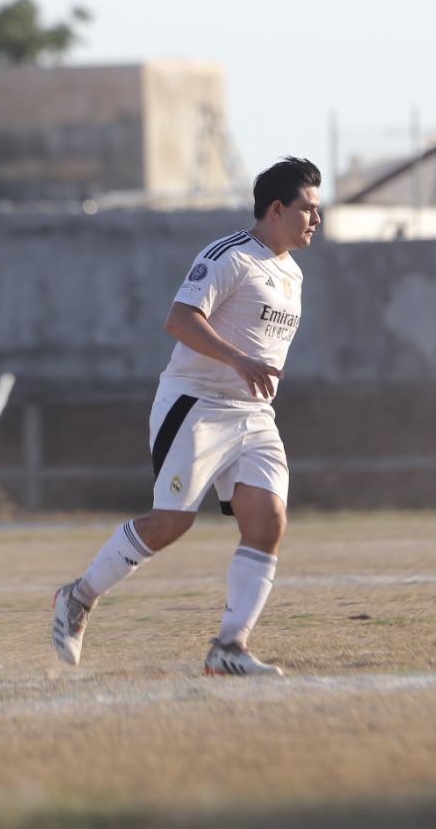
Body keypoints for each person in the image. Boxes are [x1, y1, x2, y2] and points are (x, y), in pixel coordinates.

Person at [51, 157, 322, 677]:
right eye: (307, 209)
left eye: (318, 211)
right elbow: (179, 319)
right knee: (172, 522)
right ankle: (78, 597)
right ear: (275, 208)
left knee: (267, 522)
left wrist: (250, 372)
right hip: (195, 403)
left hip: (255, 414)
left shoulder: (293, 272)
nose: (315, 220)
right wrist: (239, 359)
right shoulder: (229, 256)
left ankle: (229, 648)